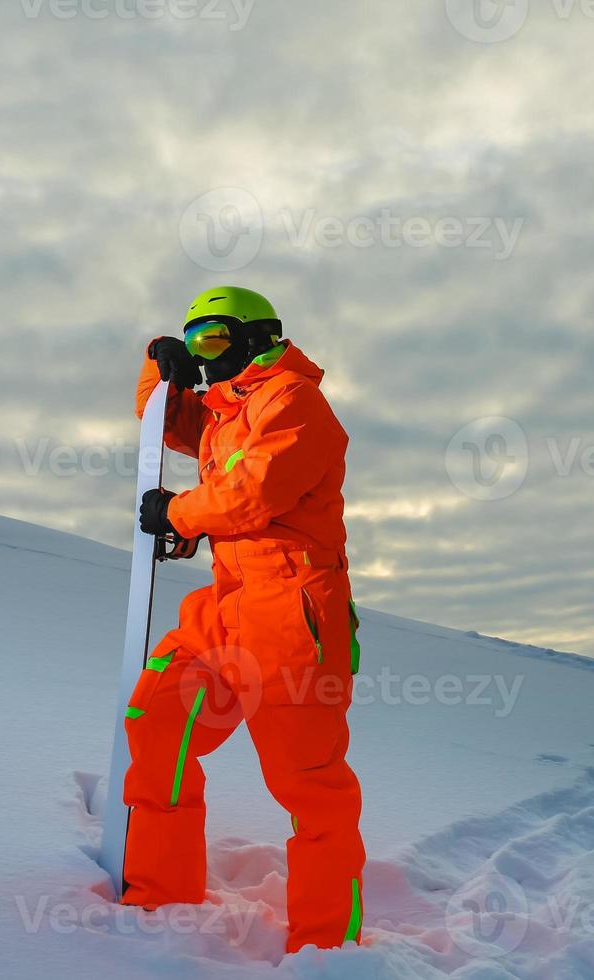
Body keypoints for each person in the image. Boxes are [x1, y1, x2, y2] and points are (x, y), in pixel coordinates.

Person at [121, 285, 366, 953]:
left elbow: (256, 492)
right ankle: (160, 901)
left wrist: (176, 514)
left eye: (214, 340)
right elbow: (161, 423)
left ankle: (326, 949)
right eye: (195, 340)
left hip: (293, 615)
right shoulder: (226, 412)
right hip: (224, 606)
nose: (206, 355)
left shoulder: (296, 403)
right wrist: (160, 363)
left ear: (259, 337)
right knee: (157, 716)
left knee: (307, 786)